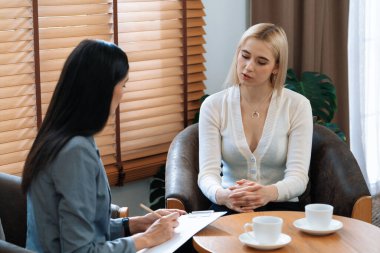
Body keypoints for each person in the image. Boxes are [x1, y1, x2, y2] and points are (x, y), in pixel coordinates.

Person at [21, 39, 185, 253]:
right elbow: (81, 250)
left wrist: (135, 224)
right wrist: (145, 239)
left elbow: (76, 231)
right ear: (103, 90)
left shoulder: (56, 137)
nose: (123, 95)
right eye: (123, 84)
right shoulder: (75, 152)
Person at [198, 23, 313, 214]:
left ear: (276, 67)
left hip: (281, 205)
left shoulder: (298, 106)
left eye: (261, 62)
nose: (248, 67)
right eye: (244, 56)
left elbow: (298, 177)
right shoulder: (213, 105)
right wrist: (223, 196)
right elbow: (207, 174)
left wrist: (268, 193)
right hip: (229, 203)